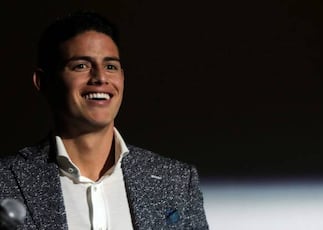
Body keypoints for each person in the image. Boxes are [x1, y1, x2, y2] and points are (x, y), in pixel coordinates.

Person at [0, 10, 209, 230]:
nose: (100, 77)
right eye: (81, 66)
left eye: (110, 66)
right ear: (43, 82)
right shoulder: (6, 182)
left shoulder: (176, 181)